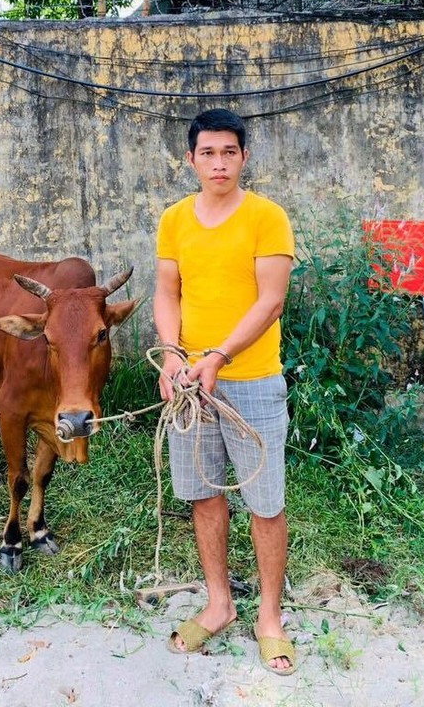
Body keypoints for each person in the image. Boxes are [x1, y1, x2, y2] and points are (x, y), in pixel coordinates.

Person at [153, 108, 296, 673]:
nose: (218, 163)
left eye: (228, 152)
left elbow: (271, 301)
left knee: (265, 502)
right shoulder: (174, 220)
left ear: (244, 157)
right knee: (204, 495)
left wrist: (218, 356)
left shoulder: (267, 218)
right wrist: (172, 353)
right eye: (207, 153)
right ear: (190, 159)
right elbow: (168, 292)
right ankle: (219, 603)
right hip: (192, 386)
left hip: (253, 381)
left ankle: (269, 616)